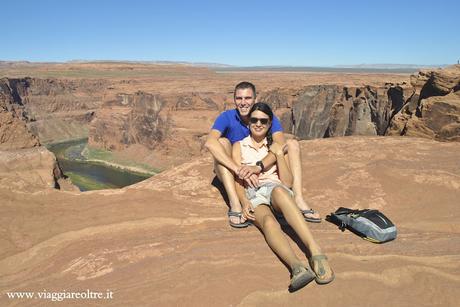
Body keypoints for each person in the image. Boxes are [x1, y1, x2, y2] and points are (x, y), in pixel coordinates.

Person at [232, 102, 334, 290]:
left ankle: (315, 252)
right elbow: (238, 180)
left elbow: (287, 182)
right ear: (249, 123)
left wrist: (279, 154)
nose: (258, 124)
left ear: (270, 123)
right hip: (254, 194)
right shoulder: (238, 146)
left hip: (276, 190)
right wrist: (244, 201)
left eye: (263, 120)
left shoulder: (277, 146)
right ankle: (297, 267)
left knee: (279, 190)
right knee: (269, 223)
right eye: (254, 119)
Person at [205, 81, 321, 228]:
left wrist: (257, 167)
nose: (243, 103)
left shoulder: (265, 116)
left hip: (261, 170)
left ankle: (298, 197)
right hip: (235, 173)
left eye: (247, 98)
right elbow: (210, 143)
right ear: (234, 100)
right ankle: (235, 204)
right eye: (239, 98)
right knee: (221, 143)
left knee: (292, 144)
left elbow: (280, 145)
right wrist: (238, 169)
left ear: (255, 99)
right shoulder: (226, 117)